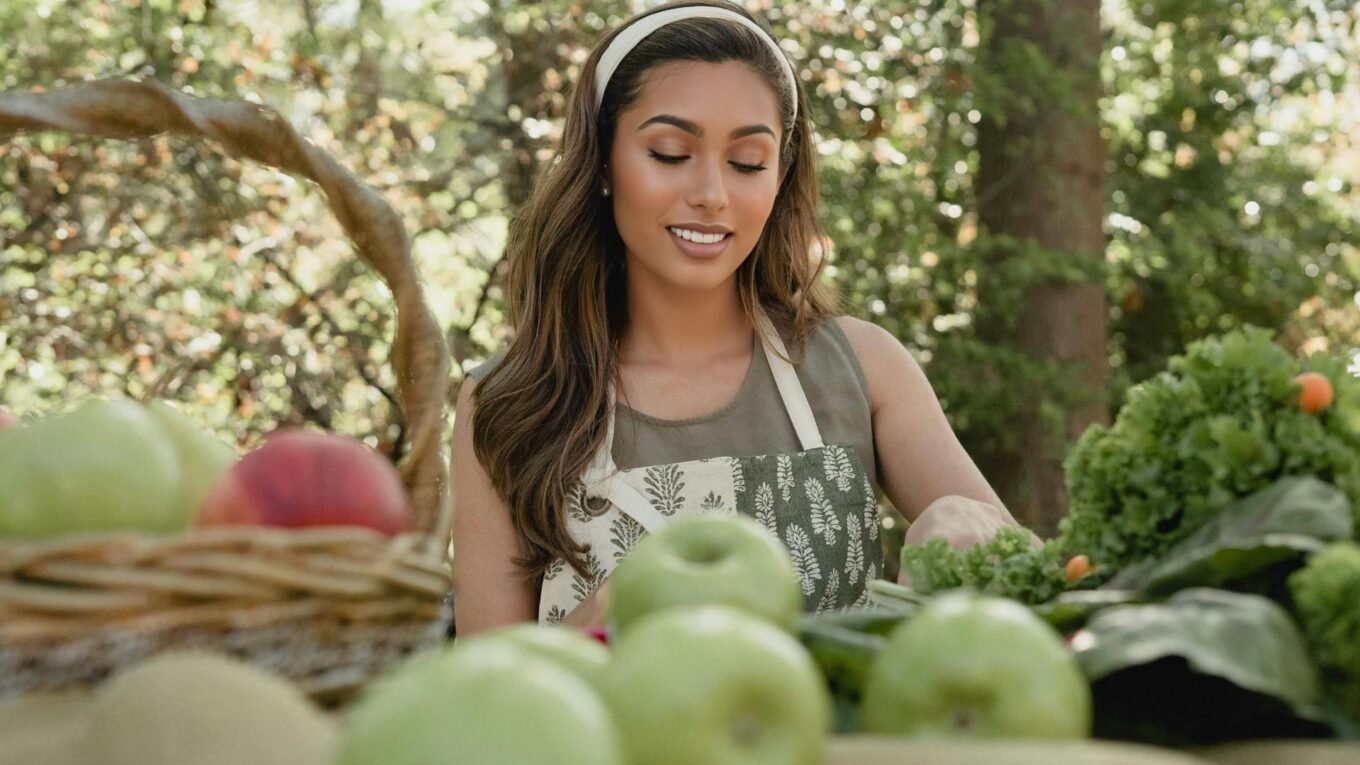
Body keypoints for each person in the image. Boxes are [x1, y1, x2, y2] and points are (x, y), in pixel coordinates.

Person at [451, 0, 1025, 637]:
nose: (712, 194)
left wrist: (969, 523)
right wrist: (602, 622)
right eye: (670, 153)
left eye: (747, 162)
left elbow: (1026, 576)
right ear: (604, 162)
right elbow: (490, 688)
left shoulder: (863, 368)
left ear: (778, 175)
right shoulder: (508, 404)